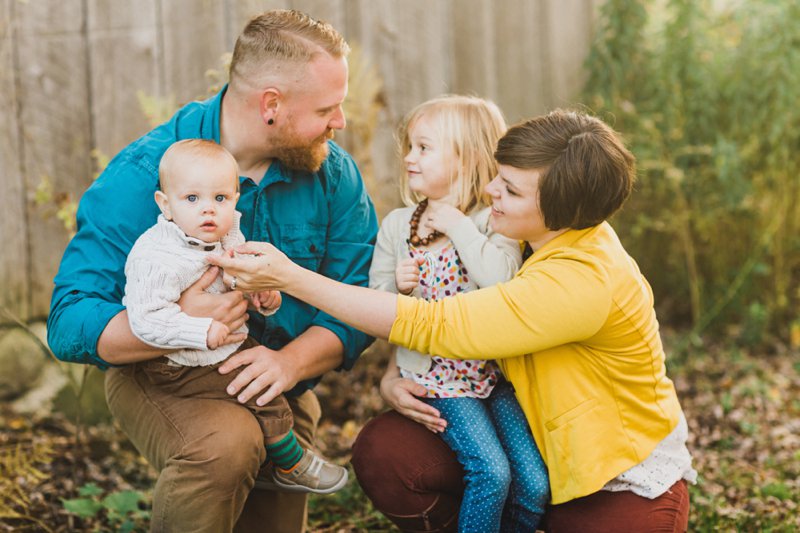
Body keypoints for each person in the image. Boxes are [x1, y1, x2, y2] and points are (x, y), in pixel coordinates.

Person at [208, 109, 698, 533]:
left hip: (608, 468)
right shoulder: (532, 231)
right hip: (523, 431)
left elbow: (440, 325)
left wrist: (289, 277)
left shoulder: (581, 279)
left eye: (508, 189)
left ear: (560, 212)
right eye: (497, 177)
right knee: (390, 452)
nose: (490, 191)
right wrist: (392, 375)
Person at [47, 9, 377, 533]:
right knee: (227, 447)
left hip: (272, 379)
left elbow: (362, 297)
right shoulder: (146, 174)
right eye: (328, 108)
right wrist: (184, 320)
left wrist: (289, 363)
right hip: (162, 371)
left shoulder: (332, 174)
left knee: (280, 451)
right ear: (272, 104)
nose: (341, 122)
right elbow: (69, 321)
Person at [124, 139, 348, 495]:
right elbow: (146, 320)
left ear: (234, 199)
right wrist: (201, 331)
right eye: (192, 199)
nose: (208, 211)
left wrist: (262, 295)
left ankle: (275, 464)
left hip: (224, 344)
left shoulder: (228, 235)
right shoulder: (156, 257)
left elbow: (233, 278)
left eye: (220, 199)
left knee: (264, 380)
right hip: (178, 361)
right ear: (165, 205)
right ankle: (290, 463)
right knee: (260, 394)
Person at [369, 95, 548, 532]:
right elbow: (375, 301)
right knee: (490, 473)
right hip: (441, 380)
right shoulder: (398, 225)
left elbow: (502, 283)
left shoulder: (494, 220)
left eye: (424, 148)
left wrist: (458, 225)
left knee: (535, 484)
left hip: (496, 377)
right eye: (410, 147)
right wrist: (400, 286)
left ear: (467, 157)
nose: (409, 158)